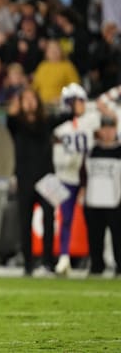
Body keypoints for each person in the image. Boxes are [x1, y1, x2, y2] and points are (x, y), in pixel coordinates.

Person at [6, 87, 71, 276]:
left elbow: (66, 116)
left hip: (47, 177)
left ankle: (48, 263)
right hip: (24, 178)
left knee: (49, 222)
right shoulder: (16, 124)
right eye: (25, 99)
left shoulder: (46, 122)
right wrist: (17, 102)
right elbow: (9, 117)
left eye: (32, 98)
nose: (29, 102)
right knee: (24, 223)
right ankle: (27, 265)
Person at [52, 83, 100, 275]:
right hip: (68, 177)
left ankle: (99, 259)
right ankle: (64, 257)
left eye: (79, 100)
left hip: (93, 176)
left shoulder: (93, 119)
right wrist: (70, 159)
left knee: (97, 219)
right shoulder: (61, 129)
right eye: (74, 101)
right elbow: (57, 159)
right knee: (66, 218)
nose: (78, 105)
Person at [81, 115, 121, 276]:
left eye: (111, 128)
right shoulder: (92, 151)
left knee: (118, 237)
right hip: (94, 200)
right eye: (105, 128)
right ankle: (97, 266)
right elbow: (83, 173)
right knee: (95, 237)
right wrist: (83, 191)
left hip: (115, 201)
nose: (107, 132)